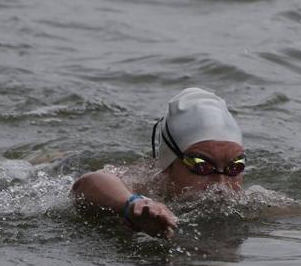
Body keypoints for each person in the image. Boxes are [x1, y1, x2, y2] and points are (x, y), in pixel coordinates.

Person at [72, 88, 245, 239]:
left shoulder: (252, 202)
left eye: (235, 166)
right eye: (202, 166)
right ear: (168, 164)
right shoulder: (143, 184)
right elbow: (87, 183)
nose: (221, 185)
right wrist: (133, 203)